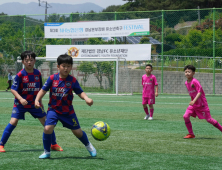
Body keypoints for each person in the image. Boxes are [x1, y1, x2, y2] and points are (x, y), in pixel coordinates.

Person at [35, 54, 96, 159]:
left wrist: (86, 98)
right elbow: (43, 90)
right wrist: (37, 100)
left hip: (68, 112)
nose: (66, 68)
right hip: (53, 110)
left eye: (68, 66)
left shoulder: (72, 80)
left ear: (71, 67)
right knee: (47, 128)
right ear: (58, 66)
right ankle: (46, 152)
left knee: (78, 132)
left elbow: (80, 92)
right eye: (63, 66)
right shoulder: (52, 78)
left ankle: (89, 146)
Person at [0, 51, 63, 152]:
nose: (29, 62)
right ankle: (1, 144)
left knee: (47, 122)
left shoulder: (37, 73)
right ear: (23, 62)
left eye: (31, 60)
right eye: (27, 60)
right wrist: (20, 99)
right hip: (20, 104)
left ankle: (53, 144)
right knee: (13, 121)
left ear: (35, 61)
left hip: (34, 104)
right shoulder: (20, 75)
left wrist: (40, 102)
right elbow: (13, 89)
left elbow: (40, 90)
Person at [183, 65, 222, 138]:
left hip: (201, 104)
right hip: (193, 105)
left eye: (189, 72)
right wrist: (193, 102)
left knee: (209, 120)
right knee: (185, 116)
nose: (187, 73)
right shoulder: (186, 82)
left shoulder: (195, 81)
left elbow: (199, 92)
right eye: (186, 72)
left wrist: (194, 101)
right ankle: (191, 134)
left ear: (193, 73)